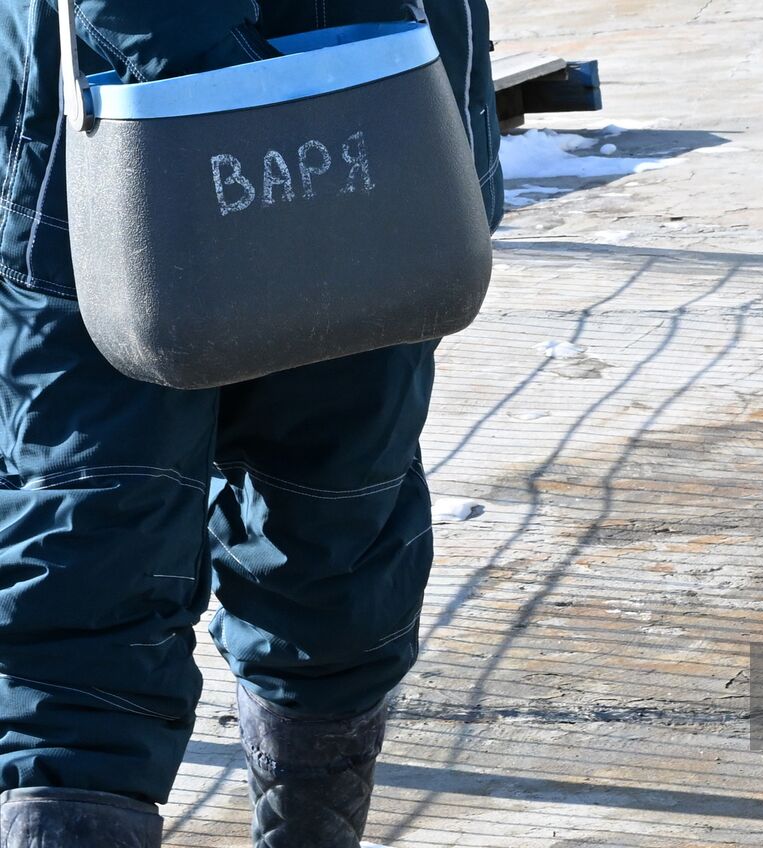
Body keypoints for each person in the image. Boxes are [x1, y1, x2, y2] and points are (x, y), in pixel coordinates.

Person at [0, 1, 502, 845]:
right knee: (88, 558)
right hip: (119, 130)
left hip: (373, 108)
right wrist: (233, 75)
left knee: (335, 535)